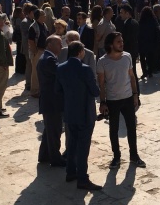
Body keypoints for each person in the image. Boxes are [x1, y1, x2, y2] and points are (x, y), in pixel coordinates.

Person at [56, 41, 102, 191]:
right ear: (80, 52)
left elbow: (58, 90)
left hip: (70, 112)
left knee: (72, 143)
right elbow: (95, 91)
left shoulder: (60, 68)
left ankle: (70, 172)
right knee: (83, 147)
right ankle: (82, 178)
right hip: (85, 113)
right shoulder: (85, 69)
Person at [97, 32, 146, 170]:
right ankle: (116, 157)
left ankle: (134, 155)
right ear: (110, 44)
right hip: (112, 100)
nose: (122, 44)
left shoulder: (127, 56)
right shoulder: (102, 61)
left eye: (122, 41)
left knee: (131, 128)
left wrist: (135, 95)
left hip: (128, 98)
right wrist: (102, 102)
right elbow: (101, 84)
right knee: (114, 129)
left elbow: (132, 77)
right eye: (118, 41)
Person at [37, 35, 66, 167]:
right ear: (49, 45)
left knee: (49, 130)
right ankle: (55, 158)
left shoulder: (47, 57)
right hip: (52, 102)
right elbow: (60, 73)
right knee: (54, 131)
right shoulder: (49, 59)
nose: (61, 46)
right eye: (59, 44)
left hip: (49, 101)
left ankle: (44, 155)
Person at [28, 9, 49, 97]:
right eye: (43, 15)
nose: (45, 16)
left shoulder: (44, 25)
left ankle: (41, 89)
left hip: (44, 50)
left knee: (42, 71)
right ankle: (34, 91)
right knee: (35, 72)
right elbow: (31, 41)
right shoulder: (33, 27)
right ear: (39, 17)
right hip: (37, 51)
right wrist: (35, 52)